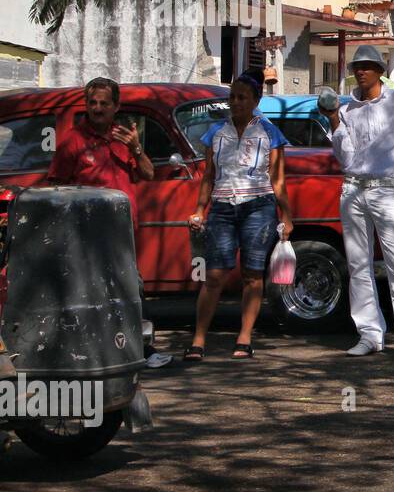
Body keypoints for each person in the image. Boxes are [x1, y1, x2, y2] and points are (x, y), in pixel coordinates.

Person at [46, 77, 173, 368]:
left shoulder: (124, 140)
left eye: (104, 103)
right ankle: (89, 354)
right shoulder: (73, 141)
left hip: (122, 235)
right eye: (93, 103)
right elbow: (56, 189)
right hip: (86, 236)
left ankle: (140, 350)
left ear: (116, 106)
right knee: (88, 294)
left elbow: (149, 174)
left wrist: (137, 148)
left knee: (130, 290)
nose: (98, 108)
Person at [320, 45, 394, 361]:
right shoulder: (347, 109)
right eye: (358, 66)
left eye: (368, 66)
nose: (361, 71)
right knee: (358, 264)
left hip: (387, 190)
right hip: (353, 189)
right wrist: (333, 121)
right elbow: (344, 157)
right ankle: (370, 334)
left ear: (380, 70)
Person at [185, 71, 293, 360]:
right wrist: (199, 209)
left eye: (242, 97)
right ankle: (198, 340)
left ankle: (244, 338)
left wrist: (287, 216)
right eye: (232, 96)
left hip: (259, 206)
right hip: (222, 206)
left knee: (252, 274)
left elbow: (278, 180)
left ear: (256, 100)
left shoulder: (270, 133)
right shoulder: (216, 133)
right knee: (215, 275)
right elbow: (208, 176)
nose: (235, 102)